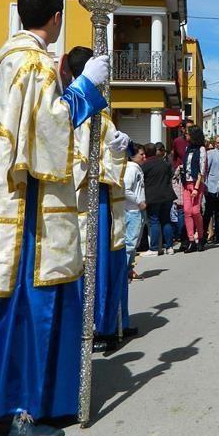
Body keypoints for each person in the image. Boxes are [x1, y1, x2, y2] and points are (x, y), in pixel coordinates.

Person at [0, 0, 110, 436]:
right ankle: (18, 410)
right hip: (27, 210)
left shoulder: (3, 59)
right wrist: (86, 88)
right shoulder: (34, 63)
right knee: (26, 306)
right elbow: (47, 131)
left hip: (0, 200)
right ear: (56, 16)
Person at [64, 46, 131, 349]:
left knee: (108, 263)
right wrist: (110, 159)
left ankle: (108, 322)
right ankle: (91, 327)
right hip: (86, 203)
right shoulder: (71, 109)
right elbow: (75, 162)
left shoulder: (101, 114)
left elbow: (108, 155)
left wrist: (118, 153)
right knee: (92, 264)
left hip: (106, 199)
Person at [142, 142, 176, 255]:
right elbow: (171, 176)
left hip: (153, 196)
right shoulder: (165, 164)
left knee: (154, 221)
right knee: (166, 220)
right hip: (167, 195)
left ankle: (154, 248)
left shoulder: (145, 165)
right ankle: (169, 246)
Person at [181, 126, 208, 252]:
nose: (185, 136)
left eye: (187, 134)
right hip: (186, 182)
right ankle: (191, 240)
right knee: (187, 211)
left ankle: (201, 237)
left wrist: (196, 188)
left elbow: (201, 170)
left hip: (197, 183)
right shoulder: (188, 148)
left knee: (196, 211)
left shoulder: (201, 149)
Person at [123, 143, 146, 280]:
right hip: (133, 210)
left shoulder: (136, 168)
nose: (144, 157)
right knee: (130, 243)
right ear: (132, 156)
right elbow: (125, 189)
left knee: (134, 243)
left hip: (137, 210)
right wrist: (139, 201)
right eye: (141, 154)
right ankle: (123, 272)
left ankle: (129, 269)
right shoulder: (132, 169)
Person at [204, 135, 219, 244]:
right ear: (215, 143)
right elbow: (206, 170)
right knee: (209, 212)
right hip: (211, 187)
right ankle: (205, 234)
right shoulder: (211, 153)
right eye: (218, 143)